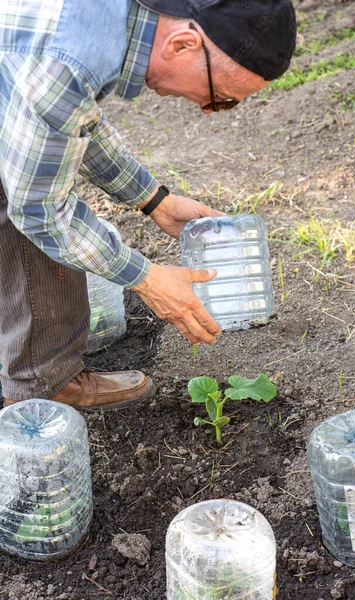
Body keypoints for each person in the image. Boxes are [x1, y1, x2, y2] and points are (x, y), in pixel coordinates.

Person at [0, 0, 296, 411]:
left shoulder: (102, 27)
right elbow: (39, 210)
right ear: (182, 44)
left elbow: (71, 123)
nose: (208, 110)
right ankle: (34, 398)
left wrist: (155, 200)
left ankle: (41, 372)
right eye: (220, 98)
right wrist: (148, 279)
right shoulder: (69, 59)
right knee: (28, 204)